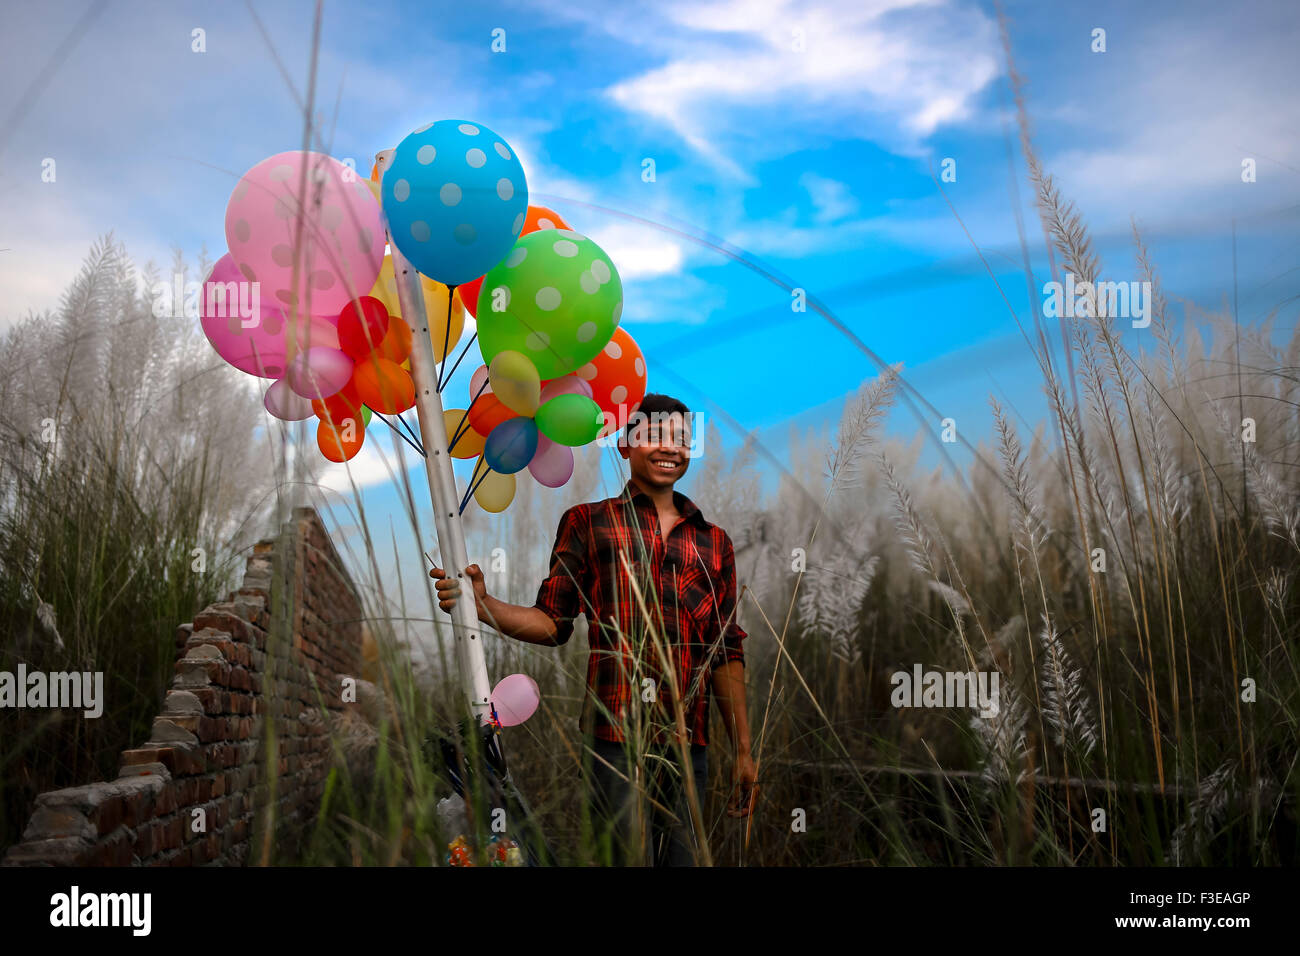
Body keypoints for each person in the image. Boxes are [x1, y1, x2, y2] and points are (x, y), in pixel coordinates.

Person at [430, 393, 757, 866]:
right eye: (655, 435)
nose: (671, 448)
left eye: (682, 439)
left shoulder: (714, 542)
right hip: (614, 741)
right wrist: (483, 606)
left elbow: (725, 649)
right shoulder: (588, 522)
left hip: (689, 746)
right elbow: (552, 622)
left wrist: (743, 750)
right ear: (625, 444)